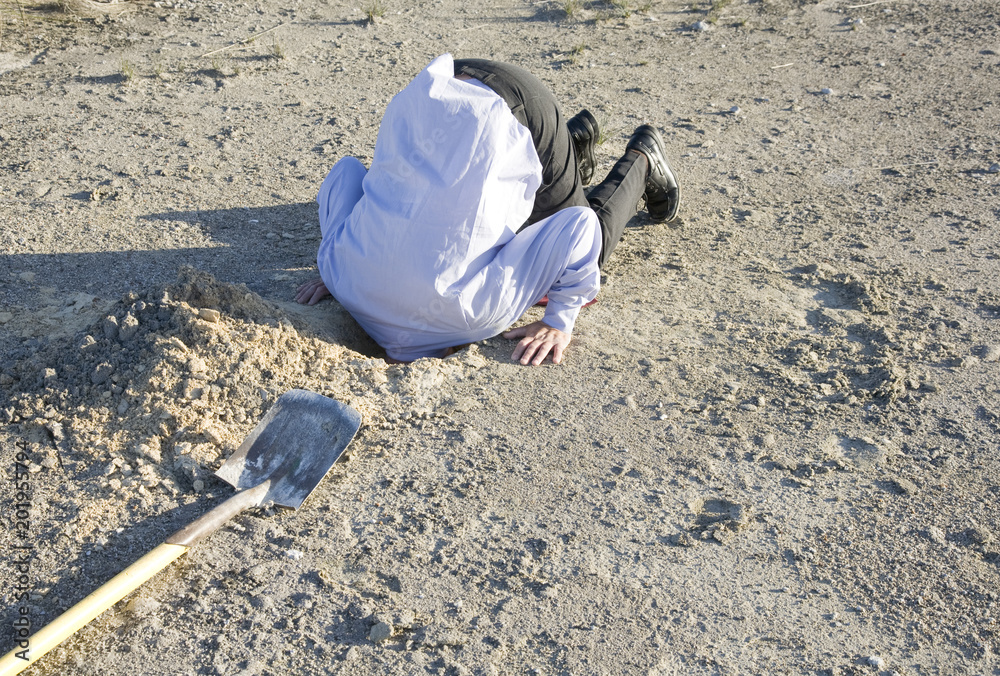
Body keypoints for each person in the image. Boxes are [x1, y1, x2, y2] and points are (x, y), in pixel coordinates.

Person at [295, 54, 679, 366]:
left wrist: (559, 321)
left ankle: (641, 158)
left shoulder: (473, 315)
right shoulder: (336, 269)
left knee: (590, 243)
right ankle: (564, 149)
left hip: (523, 110)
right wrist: (342, 263)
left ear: (450, 351)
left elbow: (578, 227)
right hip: (442, 85)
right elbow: (344, 172)